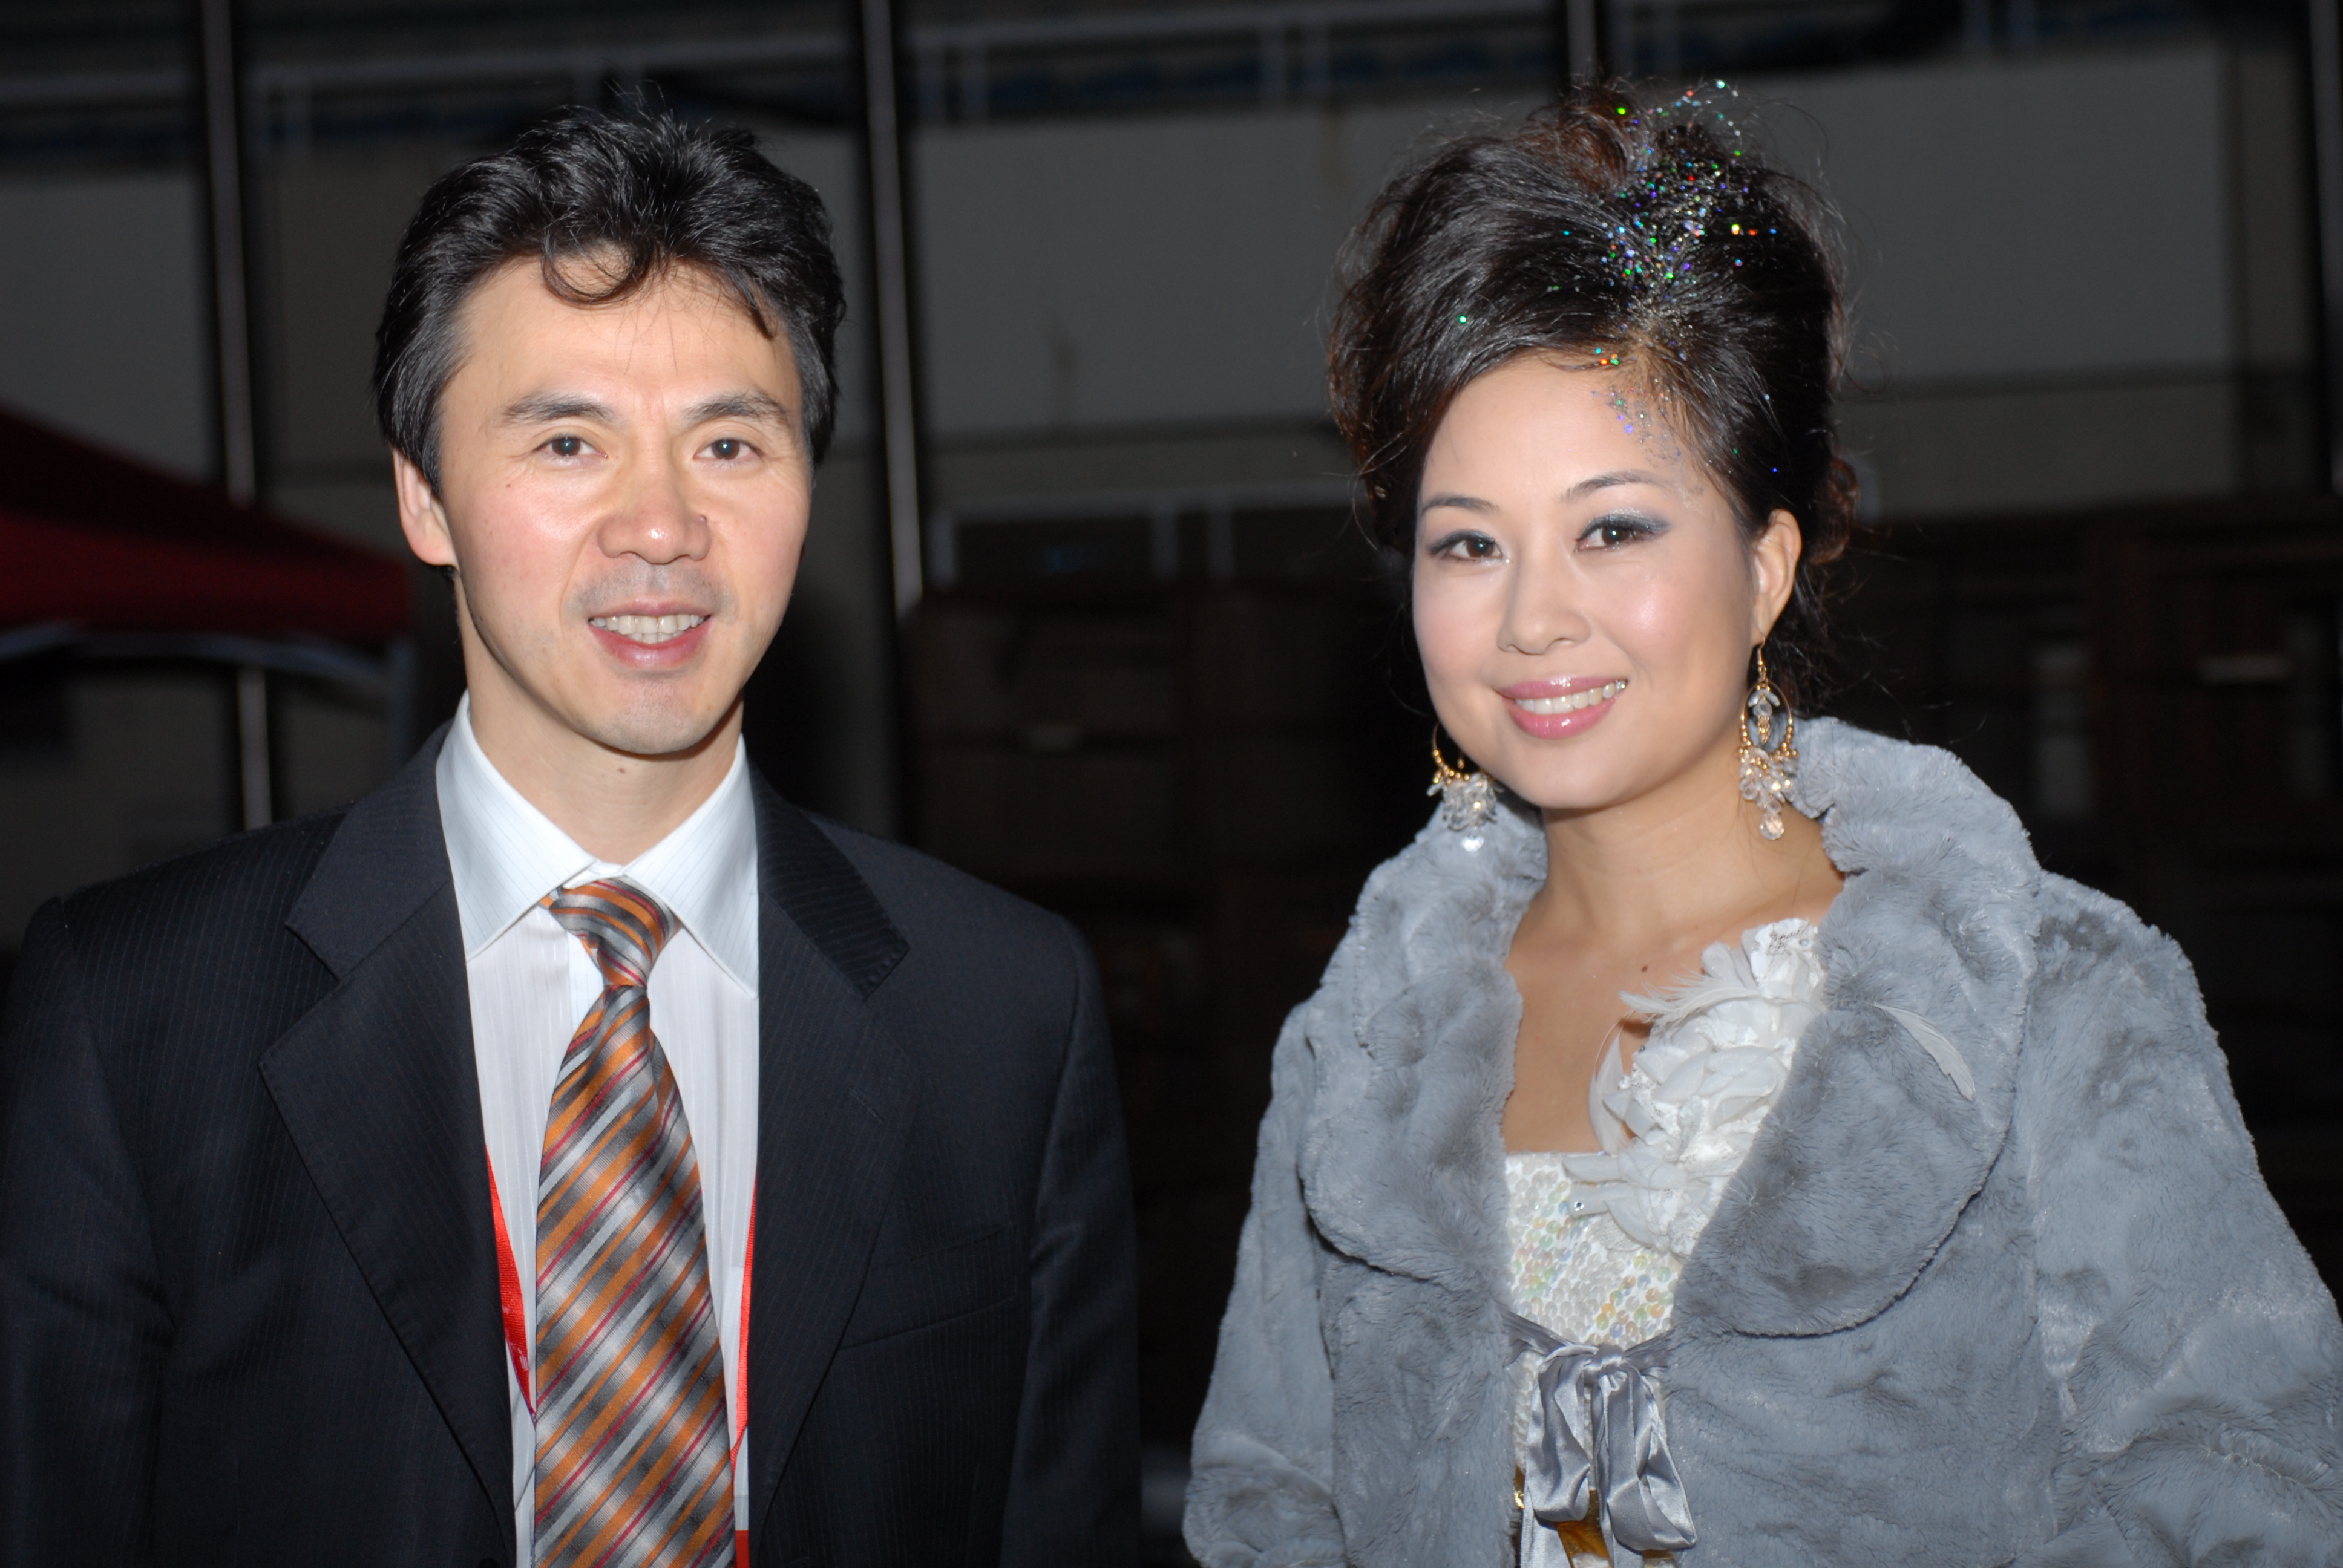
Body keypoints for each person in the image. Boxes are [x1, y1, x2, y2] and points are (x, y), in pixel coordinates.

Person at [1184, 84, 2343, 1567]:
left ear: (1766, 564)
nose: (1532, 618)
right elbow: (1267, 1511)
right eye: (1466, 543)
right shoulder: (1356, 1053)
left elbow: (2255, 1498)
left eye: (1613, 528)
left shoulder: (2055, 1005)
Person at [0, 110, 1137, 1566]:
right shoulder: (138, 1013)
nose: (660, 526)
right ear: (425, 496)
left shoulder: (1002, 1010)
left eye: (729, 441)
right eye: (567, 441)